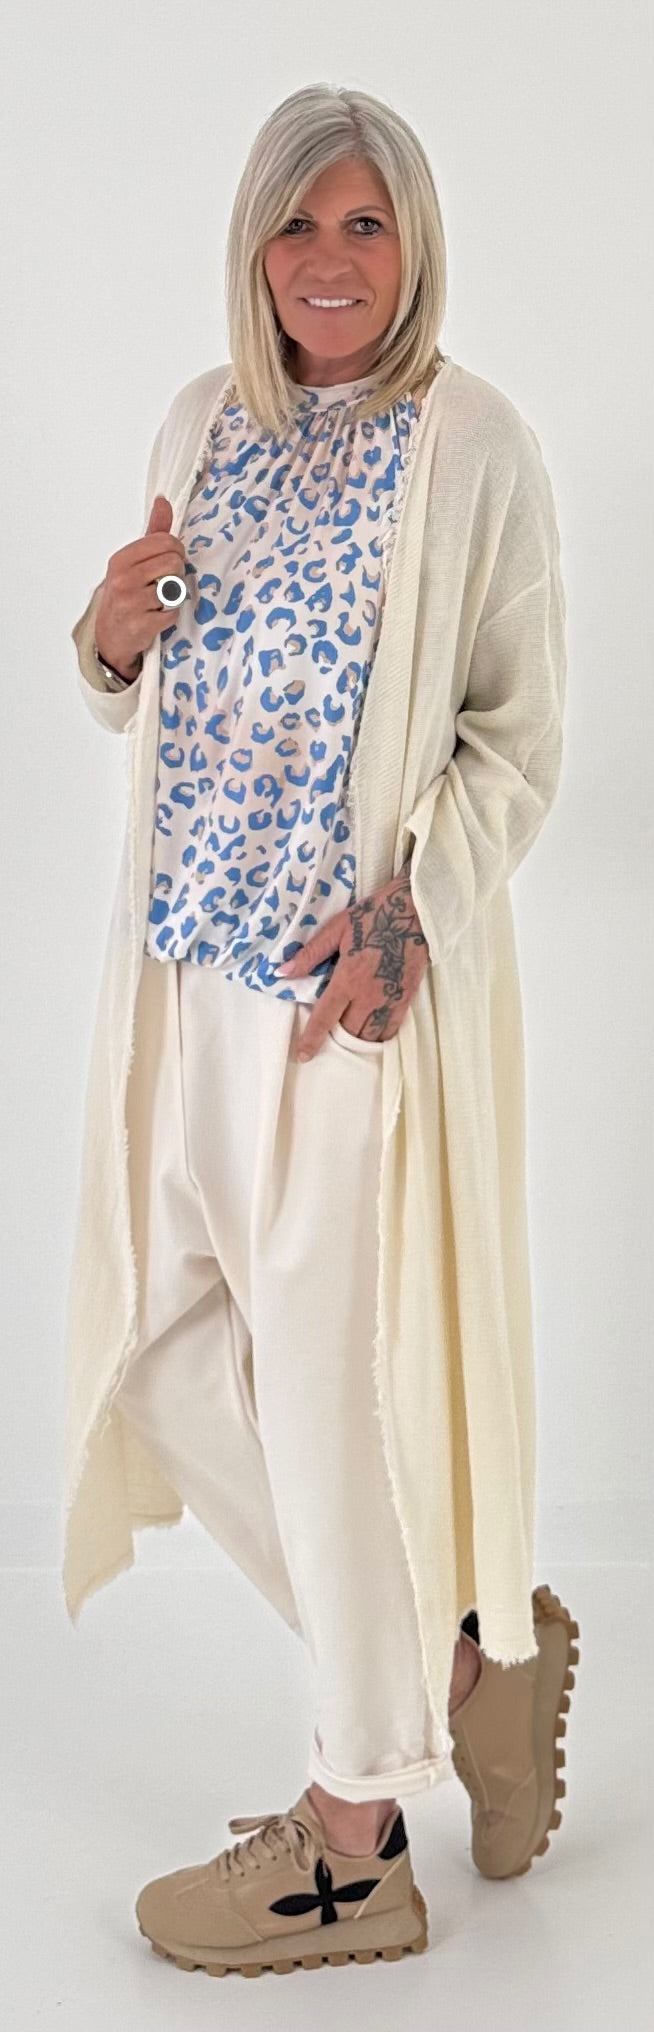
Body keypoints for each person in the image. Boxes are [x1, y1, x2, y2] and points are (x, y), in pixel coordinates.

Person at [63, 85, 578, 1978]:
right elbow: (155, 692)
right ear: (253, 246)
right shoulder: (203, 423)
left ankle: (354, 1846)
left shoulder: (472, 441)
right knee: (158, 1354)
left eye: (365, 224)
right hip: (184, 980)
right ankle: (456, 1668)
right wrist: (110, 642)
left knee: (331, 1402)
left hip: (341, 1010)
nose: (329, 261)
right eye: (298, 224)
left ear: (413, 242)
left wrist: (407, 910)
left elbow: (516, 738)